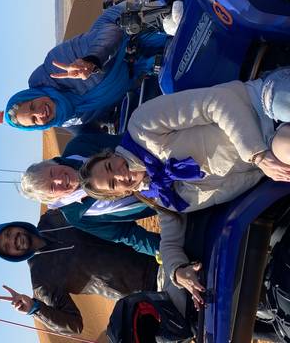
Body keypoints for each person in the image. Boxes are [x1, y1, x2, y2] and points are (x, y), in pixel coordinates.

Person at [78, 71, 290, 308]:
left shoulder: (142, 126)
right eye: (113, 183)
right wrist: (178, 271)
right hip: (273, 149)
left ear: (109, 154)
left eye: (109, 167)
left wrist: (256, 154)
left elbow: (218, 102)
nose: (119, 174)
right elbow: (168, 244)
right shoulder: (164, 198)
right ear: (120, 194)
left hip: (261, 104)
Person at [0, 210, 159, 335]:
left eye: (9, 233)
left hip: (152, 245)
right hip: (149, 287)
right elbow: (74, 325)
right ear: (12, 256)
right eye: (7, 247)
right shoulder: (41, 279)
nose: (13, 240)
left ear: (16, 226)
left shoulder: (52, 218)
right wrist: (35, 309)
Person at [4, 2, 168, 132]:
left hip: (132, 26)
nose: (39, 113)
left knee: (179, 22)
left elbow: (111, 32)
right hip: (142, 65)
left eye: (32, 106)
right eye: (33, 120)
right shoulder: (69, 119)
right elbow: (89, 137)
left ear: (33, 94)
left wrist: (92, 60)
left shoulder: (56, 65)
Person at [21, 133, 159, 256]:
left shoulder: (79, 146)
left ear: (53, 163)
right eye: (52, 187)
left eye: (52, 173)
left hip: (159, 156)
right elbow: (127, 234)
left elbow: (127, 142)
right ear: (53, 199)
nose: (59, 179)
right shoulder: (76, 217)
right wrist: (163, 252)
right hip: (166, 200)